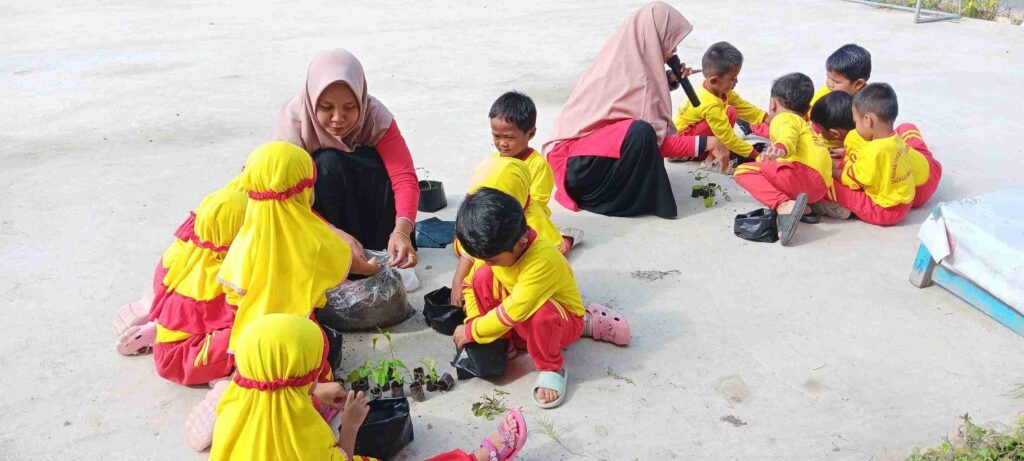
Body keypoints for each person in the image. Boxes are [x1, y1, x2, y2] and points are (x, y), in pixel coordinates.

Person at [183, 141, 380, 452]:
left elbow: (232, 289)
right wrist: (369, 269)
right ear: (304, 191)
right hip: (295, 332)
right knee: (307, 374)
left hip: (251, 338)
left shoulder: (248, 232)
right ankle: (303, 405)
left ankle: (238, 391)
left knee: (266, 378)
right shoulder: (310, 232)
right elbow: (343, 263)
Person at [210, 314, 529, 461]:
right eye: (312, 373)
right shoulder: (303, 442)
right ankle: (481, 458)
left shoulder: (234, 405)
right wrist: (349, 428)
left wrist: (311, 391)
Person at [544, 1, 729, 219]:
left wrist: (667, 79)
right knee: (640, 133)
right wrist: (707, 142)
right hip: (575, 167)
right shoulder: (639, 78)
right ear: (653, 37)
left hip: (578, 160)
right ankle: (606, 198)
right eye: (670, 41)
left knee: (639, 132)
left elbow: (631, 102)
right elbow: (655, 142)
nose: (674, 49)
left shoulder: (623, 60)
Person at [452, 188, 630, 409]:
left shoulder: (542, 260)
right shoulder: (495, 248)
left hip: (559, 319)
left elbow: (513, 311)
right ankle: (506, 340)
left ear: (521, 241)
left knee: (542, 314)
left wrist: (472, 331)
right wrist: (474, 320)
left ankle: (553, 365)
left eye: (494, 260)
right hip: (519, 317)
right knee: (482, 277)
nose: (489, 262)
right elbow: (471, 285)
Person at [275, 49, 419, 271]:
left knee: (372, 163)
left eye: (350, 107)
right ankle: (333, 255)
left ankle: (383, 250)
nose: (337, 118)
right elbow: (285, 198)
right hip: (318, 214)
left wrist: (402, 230)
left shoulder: (375, 116)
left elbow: (403, 177)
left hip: (367, 210)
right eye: (326, 108)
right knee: (326, 165)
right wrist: (331, 233)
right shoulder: (294, 124)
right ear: (312, 100)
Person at [112, 187, 248, 387]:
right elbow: (241, 314)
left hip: (171, 319)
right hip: (185, 361)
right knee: (247, 331)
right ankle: (227, 374)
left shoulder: (190, 249)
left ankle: (159, 327)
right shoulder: (225, 272)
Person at [448, 157, 571, 312]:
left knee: (557, 250)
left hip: (529, 253)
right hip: (499, 248)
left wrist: (468, 287)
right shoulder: (486, 220)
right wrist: (458, 281)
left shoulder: (529, 226)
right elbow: (482, 253)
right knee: (466, 245)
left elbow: (485, 259)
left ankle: (567, 240)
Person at [734, 73, 833, 246]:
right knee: (768, 168)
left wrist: (780, 148)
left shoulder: (783, 118)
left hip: (804, 176)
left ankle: (784, 205)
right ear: (808, 107)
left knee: (744, 171)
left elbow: (787, 135)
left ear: (773, 103)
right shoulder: (805, 124)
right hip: (821, 187)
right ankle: (807, 209)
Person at [810, 91, 941, 211]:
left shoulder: (864, 147)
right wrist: (845, 153)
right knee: (907, 127)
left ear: (835, 133)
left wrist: (827, 168)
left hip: (907, 196)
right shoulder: (881, 135)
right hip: (930, 170)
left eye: (820, 130)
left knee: (827, 182)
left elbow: (856, 178)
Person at [831, 83, 924, 226]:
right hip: (905, 204)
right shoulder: (896, 140)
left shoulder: (874, 151)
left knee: (830, 183)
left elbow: (853, 180)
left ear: (868, 120)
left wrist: (830, 170)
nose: (856, 126)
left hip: (883, 210)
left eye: (856, 122)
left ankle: (826, 204)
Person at [744, 44, 872, 139]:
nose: (829, 83)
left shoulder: (867, 107)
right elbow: (810, 111)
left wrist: (844, 151)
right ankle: (753, 126)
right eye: (828, 77)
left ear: (858, 84)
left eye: (836, 81)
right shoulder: (828, 91)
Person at [672, 41, 767, 159]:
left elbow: (742, 106)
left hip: (690, 134)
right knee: (729, 112)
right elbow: (726, 137)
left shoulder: (717, 89)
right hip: (684, 142)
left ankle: (711, 153)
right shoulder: (710, 104)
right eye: (732, 79)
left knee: (730, 112)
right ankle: (711, 160)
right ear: (714, 81)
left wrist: (766, 118)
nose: (736, 81)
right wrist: (756, 155)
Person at [488, 91, 555, 216]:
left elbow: (538, 203)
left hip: (526, 217)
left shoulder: (538, 166)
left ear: (530, 134)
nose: (502, 143)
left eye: (509, 138)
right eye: (497, 136)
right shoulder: (494, 160)